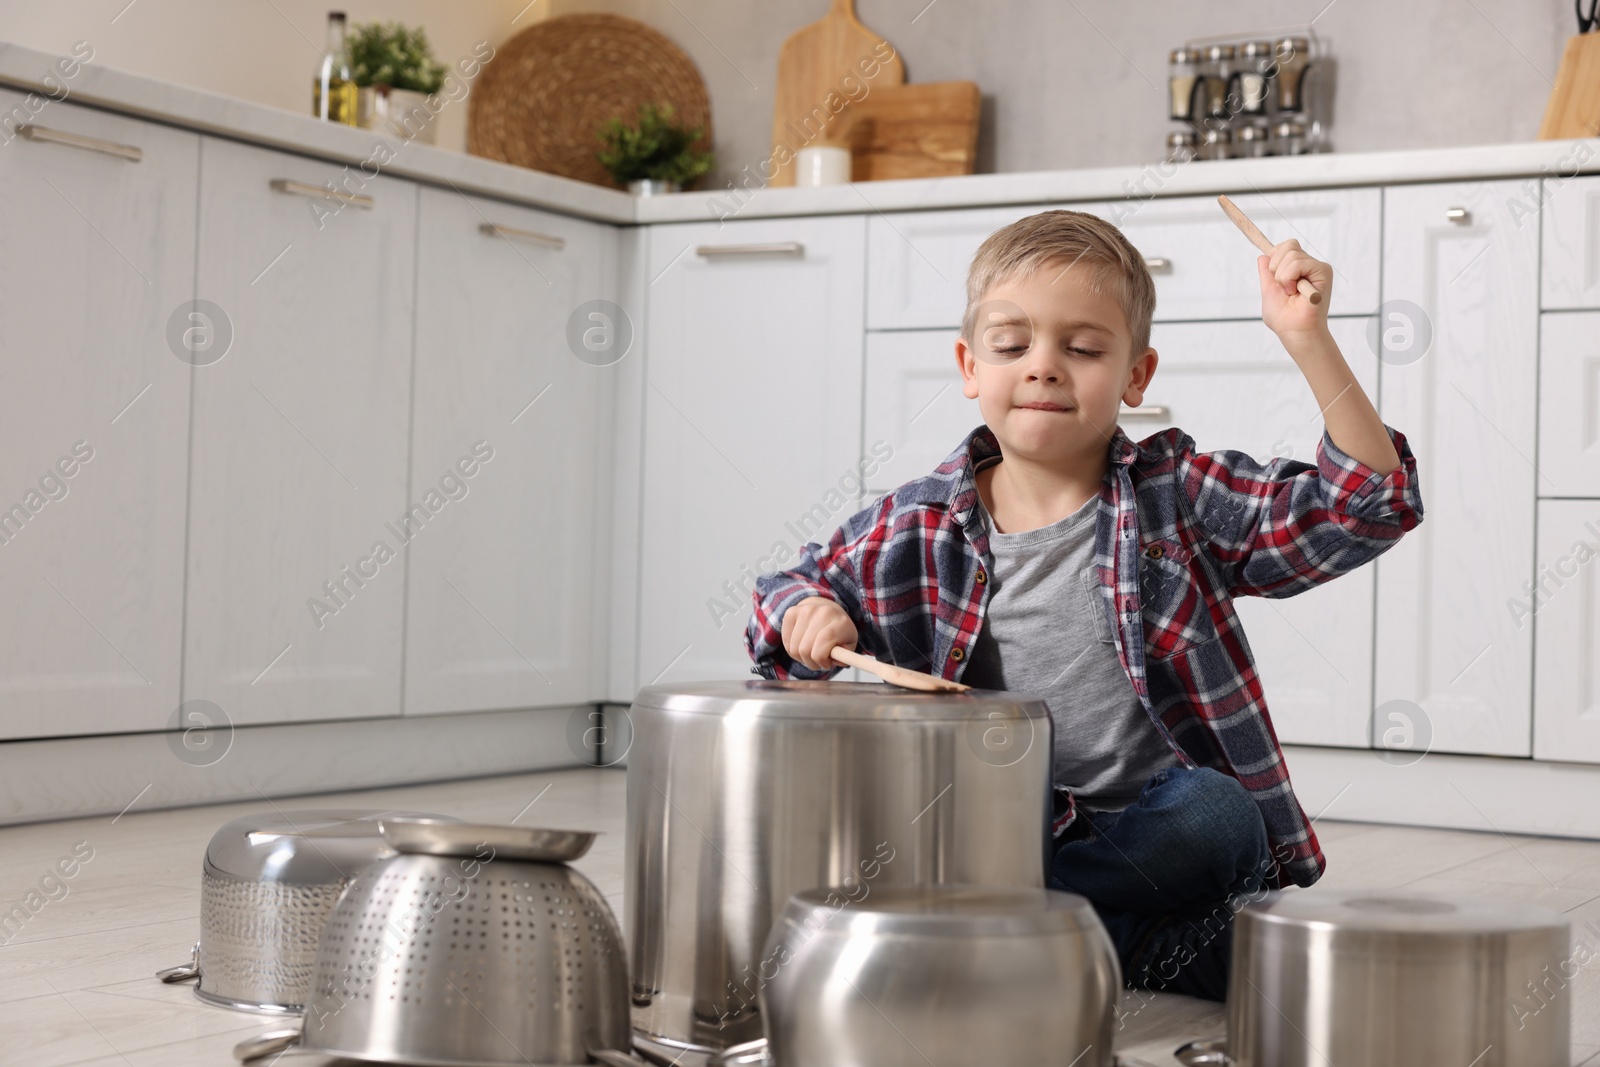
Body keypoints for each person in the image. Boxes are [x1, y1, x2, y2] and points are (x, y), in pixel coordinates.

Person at [744, 208, 1425, 1000]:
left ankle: (1017, 929)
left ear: (1137, 375)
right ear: (970, 365)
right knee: (1244, 948)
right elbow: (783, 590)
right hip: (1001, 830)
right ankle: (1093, 940)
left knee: (1218, 814)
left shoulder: (1179, 497)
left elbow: (1366, 506)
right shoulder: (918, 524)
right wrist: (807, 616)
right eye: (1012, 344)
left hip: (1155, 832)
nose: (1042, 366)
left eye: (1083, 347)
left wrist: (1308, 337)